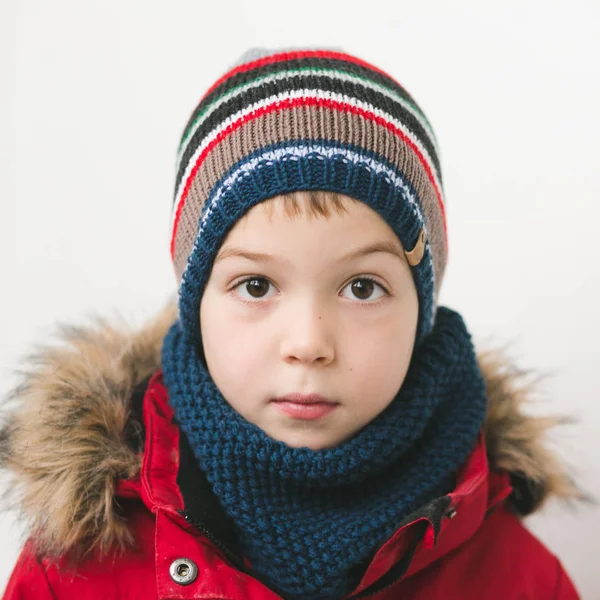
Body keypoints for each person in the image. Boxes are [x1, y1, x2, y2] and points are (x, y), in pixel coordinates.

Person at [1, 47, 582, 599]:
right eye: (256, 286)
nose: (308, 343)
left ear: (422, 314)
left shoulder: (521, 580)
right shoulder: (78, 564)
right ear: (197, 304)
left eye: (362, 287)